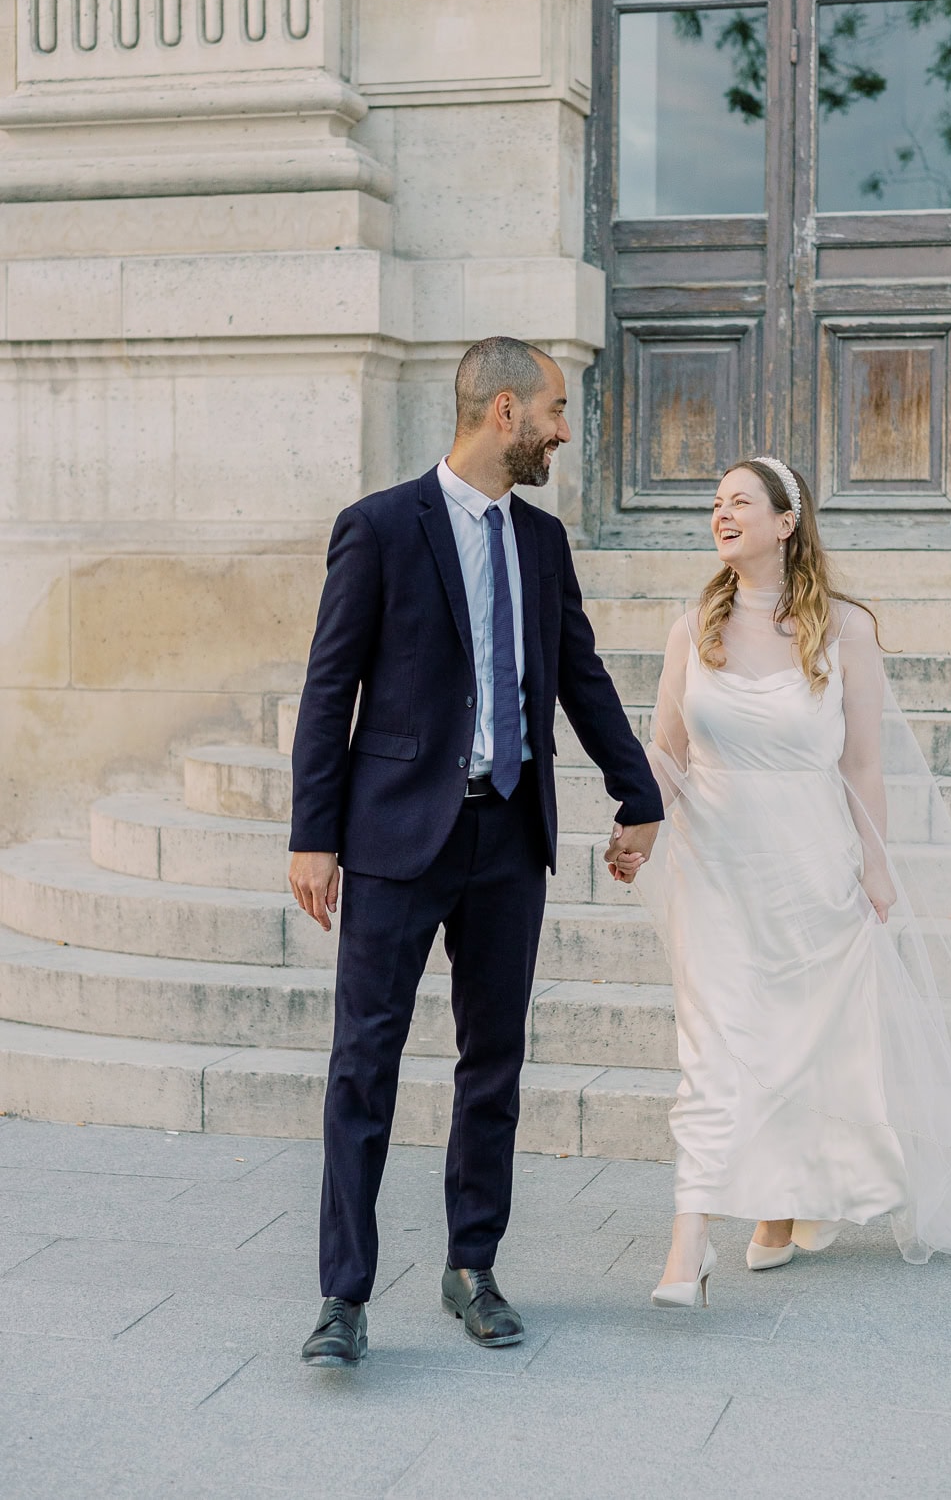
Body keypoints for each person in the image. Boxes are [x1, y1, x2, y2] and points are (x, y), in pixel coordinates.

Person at [622, 456, 951, 1307]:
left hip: (811, 870)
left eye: (740, 501)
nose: (721, 513)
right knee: (713, 1047)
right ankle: (686, 1247)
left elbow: (864, 764)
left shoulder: (843, 629)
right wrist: (636, 824)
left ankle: (780, 1208)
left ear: (785, 523)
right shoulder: (692, 628)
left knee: (799, 1048)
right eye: (715, 502)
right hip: (716, 868)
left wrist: (875, 866)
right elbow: (666, 751)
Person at [288, 336, 663, 1364]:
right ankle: (343, 1295)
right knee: (364, 1063)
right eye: (554, 410)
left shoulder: (541, 542)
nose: (562, 431)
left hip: (508, 834)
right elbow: (329, 691)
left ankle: (472, 1266)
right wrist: (314, 835)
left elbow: (579, 674)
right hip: (396, 835)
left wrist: (637, 793)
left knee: (492, 1061)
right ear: (504, 411)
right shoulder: (379, 527)